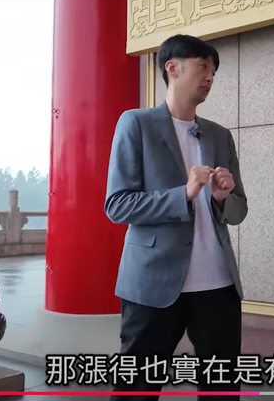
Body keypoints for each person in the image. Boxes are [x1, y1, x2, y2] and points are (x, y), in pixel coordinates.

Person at [105, 34, 247, 401]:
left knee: (222, 387)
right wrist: (182, 194)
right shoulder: (136, 124)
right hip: (153, 284)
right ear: (172, 68)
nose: (210, 77)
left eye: (213, 71)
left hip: (217, 285)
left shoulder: (220, 136)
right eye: (203, 67)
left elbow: (239, 210)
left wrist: (222, 199)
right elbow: (117, 204)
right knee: (137, 387)